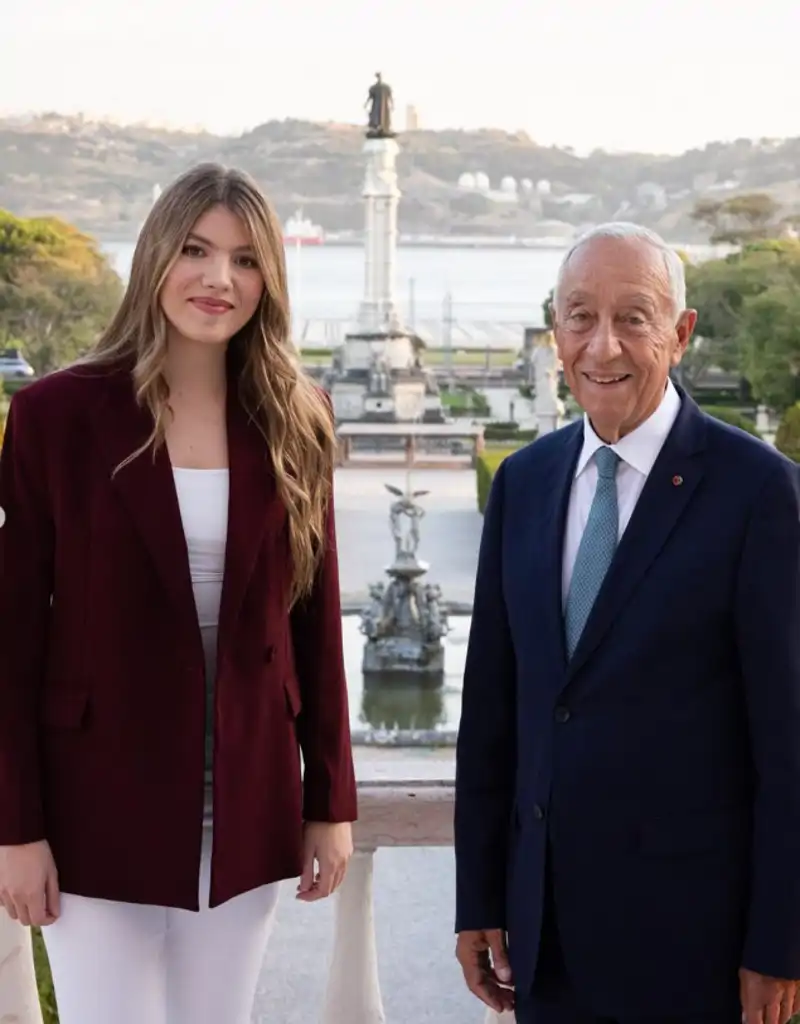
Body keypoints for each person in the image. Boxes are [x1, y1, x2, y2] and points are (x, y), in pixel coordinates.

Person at [0, 163, 357, 1024]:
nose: (217, 279)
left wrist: (329, 805)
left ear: (268, 276)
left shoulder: (296, 414)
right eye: (196, 250)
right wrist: (15, 828)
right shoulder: (57, 414)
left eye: (243, 259)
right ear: (156, 255)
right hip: (93, 802)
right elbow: (11, 636)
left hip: (246, 801)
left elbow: (316, 621)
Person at [454, 222, 800, 1024]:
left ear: (680, 334)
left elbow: (789, 745)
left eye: (633, 318)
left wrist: (780, 944)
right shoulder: (524, 484)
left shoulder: (760, 496)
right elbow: (492, 715)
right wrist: (478, 898)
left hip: (697, 954)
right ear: (555, 335)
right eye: (579, 317)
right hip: (546, 952)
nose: (602, 345)